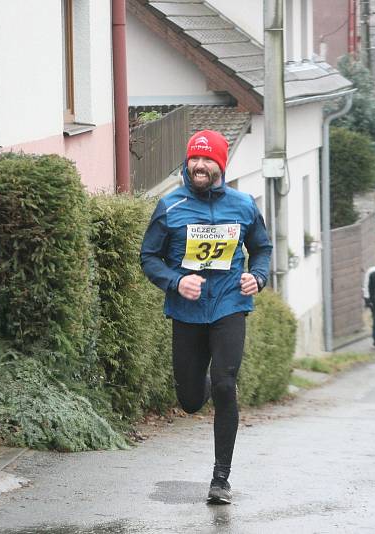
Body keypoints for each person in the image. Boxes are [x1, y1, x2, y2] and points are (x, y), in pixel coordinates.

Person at [140, 129, 272, 505]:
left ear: (220, 165)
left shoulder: (244, 205)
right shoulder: (171, 206)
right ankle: (208, 379)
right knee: (191, 400)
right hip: (188, 310)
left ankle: (220, 479)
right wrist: (176, 282)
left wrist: (257, 277)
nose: (199, 165)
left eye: (207, 159)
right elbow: (149, 257)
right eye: (194, 159)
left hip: (230, 304)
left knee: (226, 386)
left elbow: (261, 248)